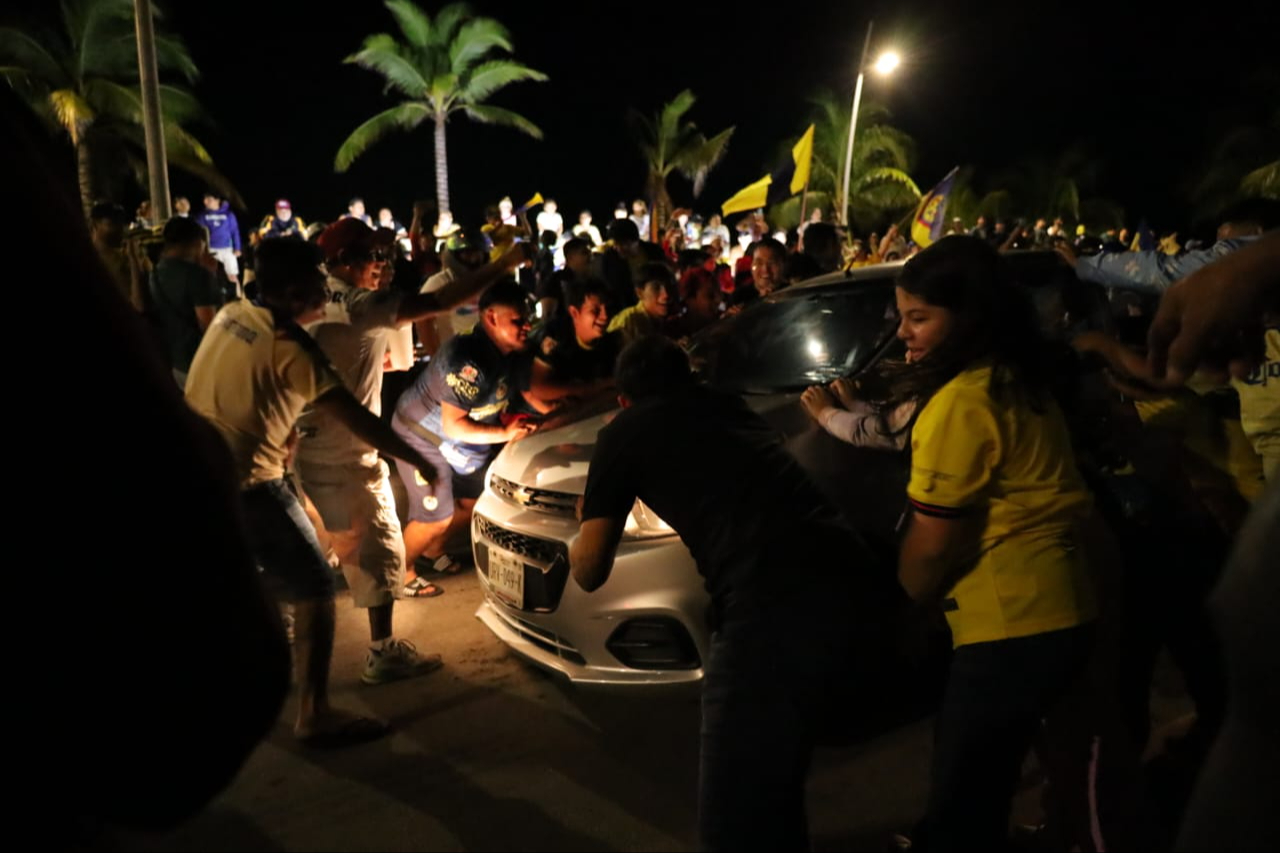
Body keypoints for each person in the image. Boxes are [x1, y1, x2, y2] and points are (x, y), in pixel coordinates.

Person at [570, 335, 901, 851]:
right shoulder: (727, 405)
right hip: (850, 574)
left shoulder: (624, 431)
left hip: (768, 607)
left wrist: (582, 524)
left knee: (735, 809)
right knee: (775, 775)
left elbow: (589, 569)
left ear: (623, 400)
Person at [184, 238, 440, 746]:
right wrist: (419, 459)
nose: (328, 290)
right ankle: (314, 712)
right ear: (300, 290)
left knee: (254, 579)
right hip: (251, 484)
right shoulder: (293, 346)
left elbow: (247, 384)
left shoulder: (234, 312)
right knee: (315, 588)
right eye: (320, 282)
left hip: (200, 468)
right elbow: (361, 420)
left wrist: (287, 431)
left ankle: (243, 679)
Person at [889, 236, 1099, 850]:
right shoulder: (1019, 380)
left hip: (1010, 622)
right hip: (1068, 604)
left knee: (965, 796)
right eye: (901, 317)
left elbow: (932, 546)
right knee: (1036, 773)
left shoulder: (962, 402)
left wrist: (900, 617)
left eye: (919, 317)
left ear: (970, 316)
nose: (903, 332)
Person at [292, 220, 525, 669]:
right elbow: (438, 302)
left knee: (320, 536)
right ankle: (382, 655)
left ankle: (290, 611)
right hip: (346, 448)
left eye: (383, 255)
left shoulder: (314, 292)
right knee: (382, 547)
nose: (380, 264)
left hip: (306, 436)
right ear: (343, 262)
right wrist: (506, 263)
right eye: (370, 256)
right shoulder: (360, 303)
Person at [392, 281, 541, 593]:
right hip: (421, 435)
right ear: (491, 318)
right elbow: (454, 426)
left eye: (529, 318)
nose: (527, 326)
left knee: (474, 500)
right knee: (436, 515)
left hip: (464, 441)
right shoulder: (467, 361)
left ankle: (433, 551)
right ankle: (398, 572)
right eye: (518, 320)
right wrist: (505, 432)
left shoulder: (511, 351)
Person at [1056, 199, 1275, 294]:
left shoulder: (1251, 254)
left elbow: (1164, 272)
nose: (1220, 238)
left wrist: (1084, 264)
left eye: (1227, 234)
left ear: (1257, 232)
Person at [149, 215, 222, 389]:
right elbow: (209, 327)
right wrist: (212, 277)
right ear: (198, 242)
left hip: (176, 362)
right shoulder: (198, 276)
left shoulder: (156, 272)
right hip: (202, 362)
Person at [607, 262, 673, 347]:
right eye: (656, 288)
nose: (666, 295)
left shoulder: (665, 320)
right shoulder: (627, 323)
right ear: (639, 293)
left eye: (669, 286)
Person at [195, 191, 243, 295]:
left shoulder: (229, 214)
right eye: (205, 199)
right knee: (211, 277)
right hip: (211, 250)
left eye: (209, 199)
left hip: (227, 249)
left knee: (232, 276)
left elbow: (235, 231)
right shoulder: (202, 216)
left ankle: (239, 299)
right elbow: (198, 234)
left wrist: (237, 247)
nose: (206, 202)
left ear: (217, 200)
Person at [537, 236, 591, 322]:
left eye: (589, 252)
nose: (590, 256)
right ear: (570, 257)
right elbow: (548, 315)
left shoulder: (590, 281)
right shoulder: (556, 281)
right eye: (584, 253)